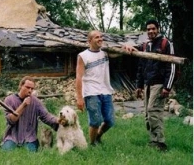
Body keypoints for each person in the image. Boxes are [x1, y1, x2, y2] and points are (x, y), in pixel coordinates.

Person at [75, 30, 134, 146]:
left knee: (110, 121)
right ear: (90, 40)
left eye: (101, 37)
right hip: (91, 92)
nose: (100, 39)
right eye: (97, 37)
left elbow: (121, 51)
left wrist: (126, 46)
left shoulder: (106, 52)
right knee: (95, 121)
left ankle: (98, 137)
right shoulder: (83, 56)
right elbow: (78, 77)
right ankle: (92, 144)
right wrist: (79, 98)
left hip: (106, 91)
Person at [135, 19, 175, 151]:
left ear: (158, 29)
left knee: (154, 112)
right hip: (147, 84)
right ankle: (153, 141)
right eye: (148, 29)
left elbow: (172, 66)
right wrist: (139, 86)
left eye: (153, 28)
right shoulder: (145, 45)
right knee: (147, 114)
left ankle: (161, 142)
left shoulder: (165, 43)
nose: (151, 31)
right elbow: (141, 66)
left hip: (159, 84)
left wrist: (167, 87)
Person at [0, 76, 60, 152]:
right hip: (12, 136)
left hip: (29, 138)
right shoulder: (9, 100)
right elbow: (12, 120)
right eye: (27, 87)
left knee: (30, 155)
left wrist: (58, 120)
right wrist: (23, 105)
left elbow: (46, 116)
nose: (30, 91)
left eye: (32, 89)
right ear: (20, 86)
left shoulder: (36, 102)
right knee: (6, 152)